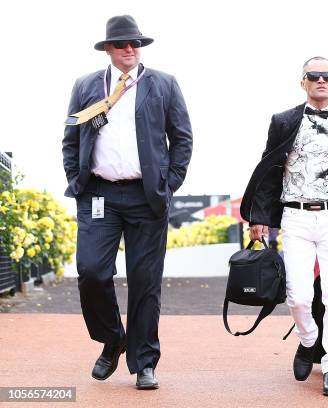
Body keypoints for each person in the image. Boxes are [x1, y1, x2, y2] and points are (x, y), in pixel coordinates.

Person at [61, 15, 193, 390]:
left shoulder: (163, 84)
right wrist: (77, 182)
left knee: (145, 280)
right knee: (91, 271)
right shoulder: (87, 85)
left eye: (135, 43)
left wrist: (169, 185)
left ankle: (145, 361)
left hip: (146, 196)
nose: (130, 49)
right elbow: (71, 139)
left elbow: (182, 138)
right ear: (108, 49)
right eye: (121, 44)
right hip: (99, 194)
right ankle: (113, 338)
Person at [240, 56, 328, 396]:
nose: (321, 81)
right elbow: (268, 171)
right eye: (315, 76)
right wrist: (259, 218)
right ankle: (308, 338)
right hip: (294, 217)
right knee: (298, 297)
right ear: (304, 82)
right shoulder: (282, 121)